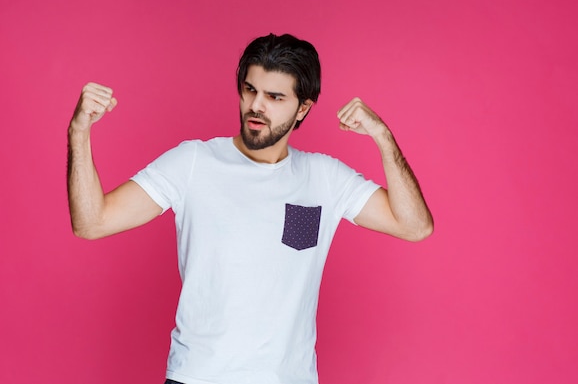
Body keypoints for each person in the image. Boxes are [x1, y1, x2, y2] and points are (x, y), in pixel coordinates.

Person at [67, 33, 433, 384]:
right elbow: (92, 222)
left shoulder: (323, 178)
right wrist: (79, 132)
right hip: (198, 377)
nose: (257, 106)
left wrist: (383, 137)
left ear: (303, 107)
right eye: (250, 90)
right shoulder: (193, 162)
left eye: (275, 97)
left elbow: (415, 226)